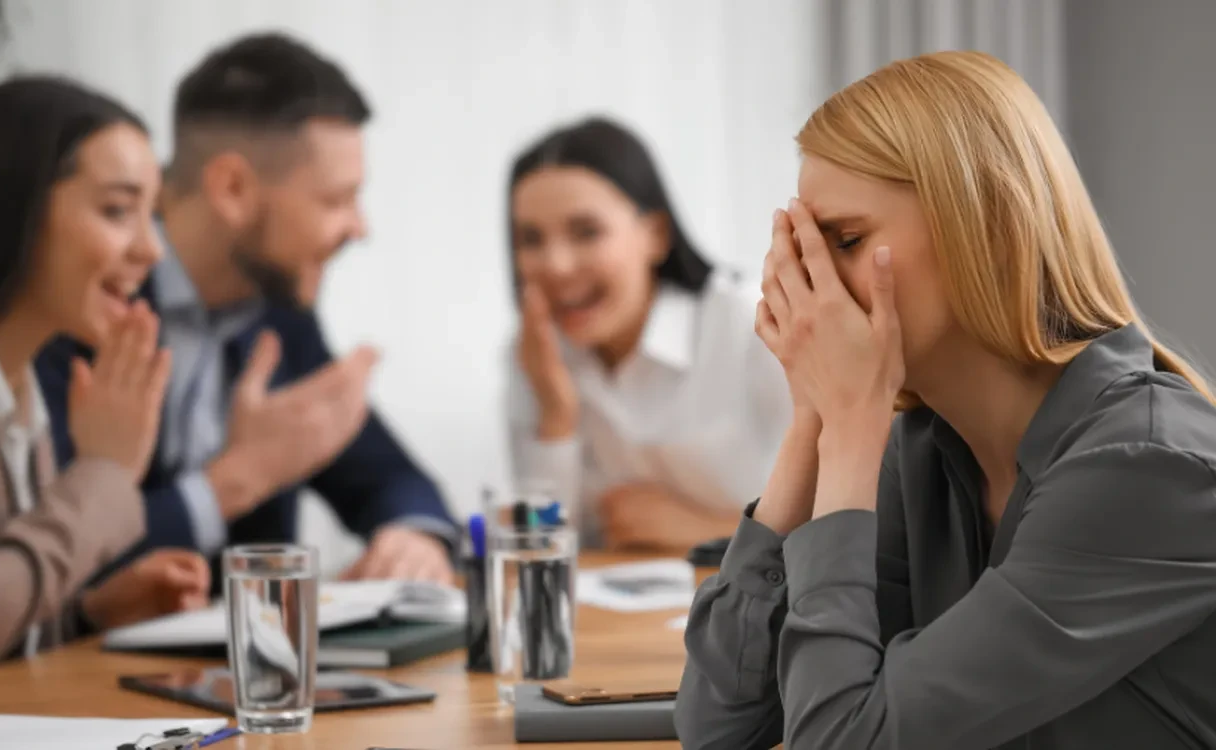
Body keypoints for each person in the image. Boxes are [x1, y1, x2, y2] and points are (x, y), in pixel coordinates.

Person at [675, 50, 1216, 749]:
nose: (813, 287)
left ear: (987, 231)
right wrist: (811, 420)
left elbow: (843, 740)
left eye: (843, 240)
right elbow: (720, 728)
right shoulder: (926, 447)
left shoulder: (1144, 467)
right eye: (801, 248)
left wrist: (845, 426)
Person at [36, 33, 457, 585]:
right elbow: (47, 562)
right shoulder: (80, 304)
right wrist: (238, 478)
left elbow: (386, 476)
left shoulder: (280, 315)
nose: (360, 228)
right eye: (335, 199)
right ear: (232, 188)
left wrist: (413, 538)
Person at [0, 77, 210, 679]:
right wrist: (105, 473)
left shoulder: (17, 380)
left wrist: (87, 615)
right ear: (15, 208)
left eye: (151, 215)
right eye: (117, 210)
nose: (152, 250)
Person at [506, 117, 792, 552]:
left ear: (655, 235)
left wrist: (709, 531)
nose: (556, 265)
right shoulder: (535, 357)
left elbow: (857, 527)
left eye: (586, 232)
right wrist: (556, 417)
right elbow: (542, 548)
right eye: (530, 239)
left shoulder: (753, 323)